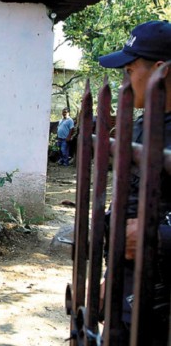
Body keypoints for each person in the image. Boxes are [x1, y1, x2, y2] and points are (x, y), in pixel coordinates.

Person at [98, 20, 171, 344]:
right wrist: (108, 279)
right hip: (125, 290)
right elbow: (125, 203)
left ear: (161, 70)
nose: (125, 80)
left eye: (130, 69)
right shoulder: (140, 127)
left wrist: (158, 233)